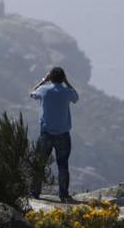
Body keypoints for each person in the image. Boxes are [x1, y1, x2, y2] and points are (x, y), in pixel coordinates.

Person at [30, 66, 79, 202]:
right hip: (63, 134)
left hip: (46, 133)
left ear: (51, 77)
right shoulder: (66, 92)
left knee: (39, 163)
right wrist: (67, 82)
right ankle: (63, 194)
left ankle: (34, 192)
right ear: (62, 78)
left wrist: (43, 81)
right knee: (63, 165)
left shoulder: (44, 90)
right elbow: (76, 97)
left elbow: (32, 93)